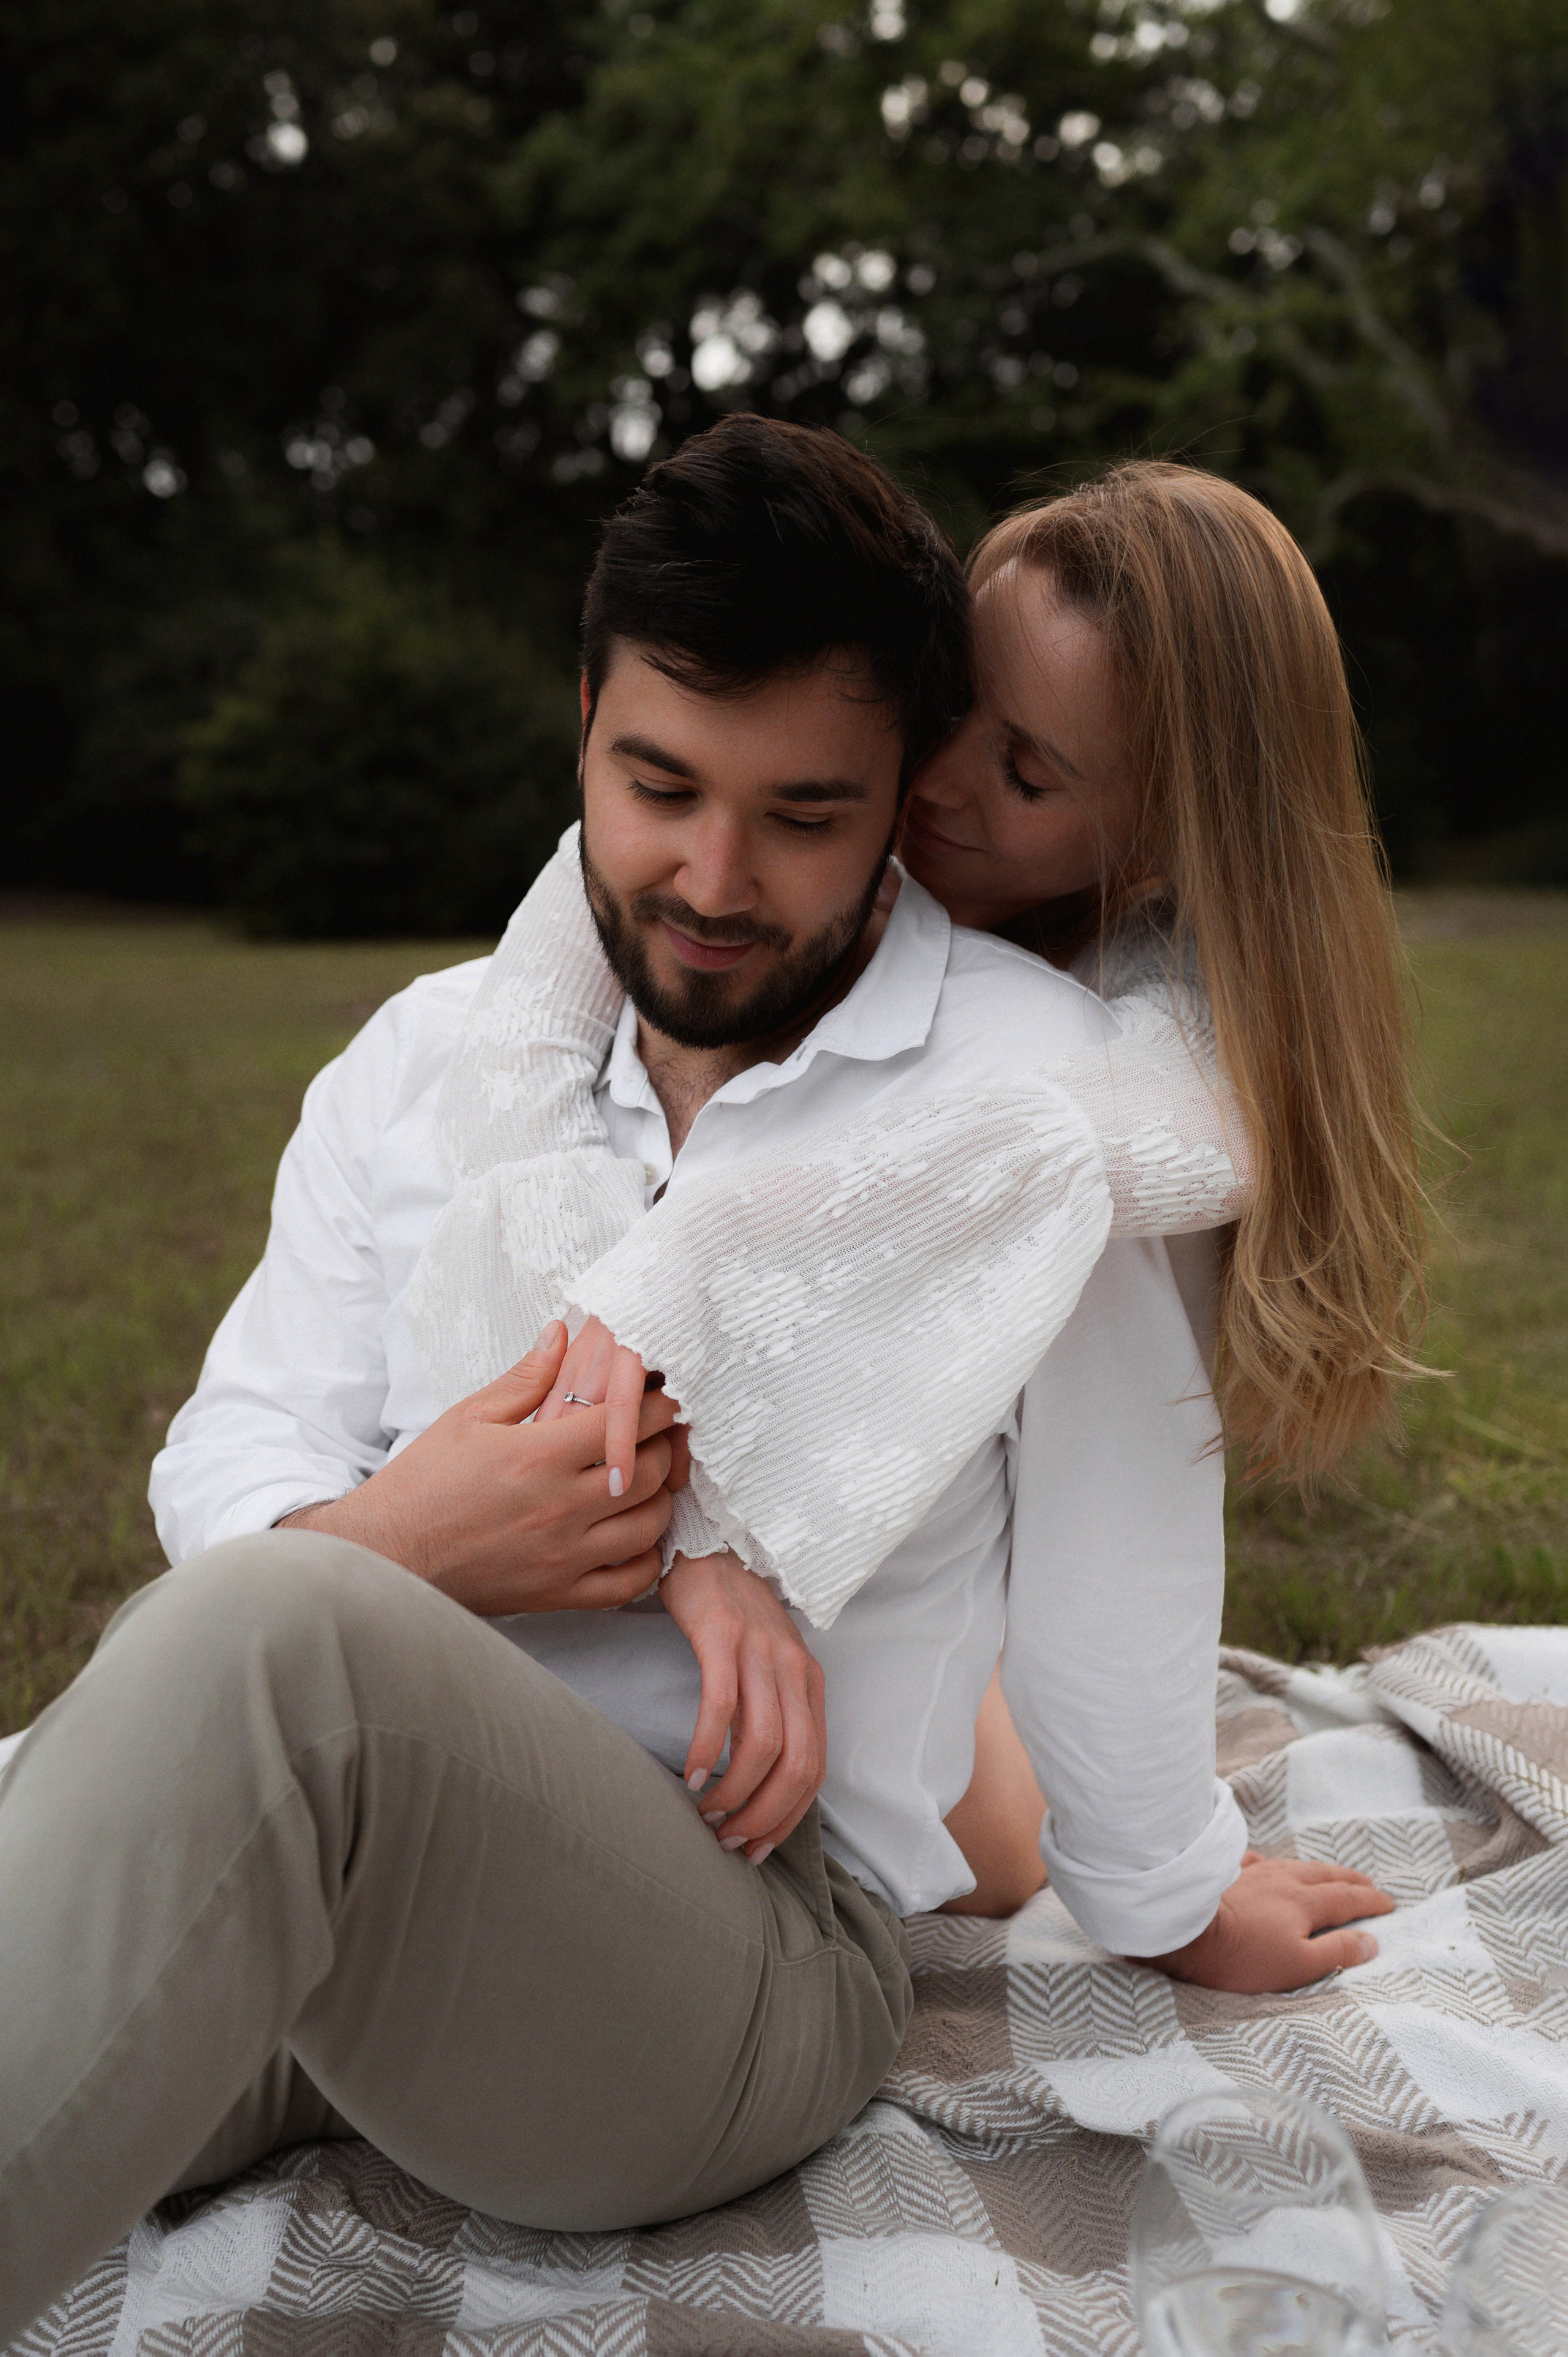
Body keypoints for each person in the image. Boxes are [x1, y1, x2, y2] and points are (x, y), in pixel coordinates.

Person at [0, 423, 1390, 2340]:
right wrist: (413, 1539)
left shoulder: (1026, 1109)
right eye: (660, 786)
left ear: (898, 787)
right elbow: (234, 1442)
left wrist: (1165, 1890)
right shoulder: (428, 1057)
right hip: (380, 1910)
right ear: (582, 721)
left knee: (273, 1647)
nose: (716, 880)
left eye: (809, 817)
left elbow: (1115, 1573)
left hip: (727, 1961)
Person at [442, 457, 1424, 1919]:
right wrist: (685, 1518)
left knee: (983, 1826)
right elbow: (512, 1100)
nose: (938, 779)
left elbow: (1120, 1433)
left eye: (1025, 773)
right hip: (728, 1566)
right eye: (949, 706)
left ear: (1159, 839)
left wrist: (1165, 1883)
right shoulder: (721, 862)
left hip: (889, 1554)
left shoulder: (1140, 1059)